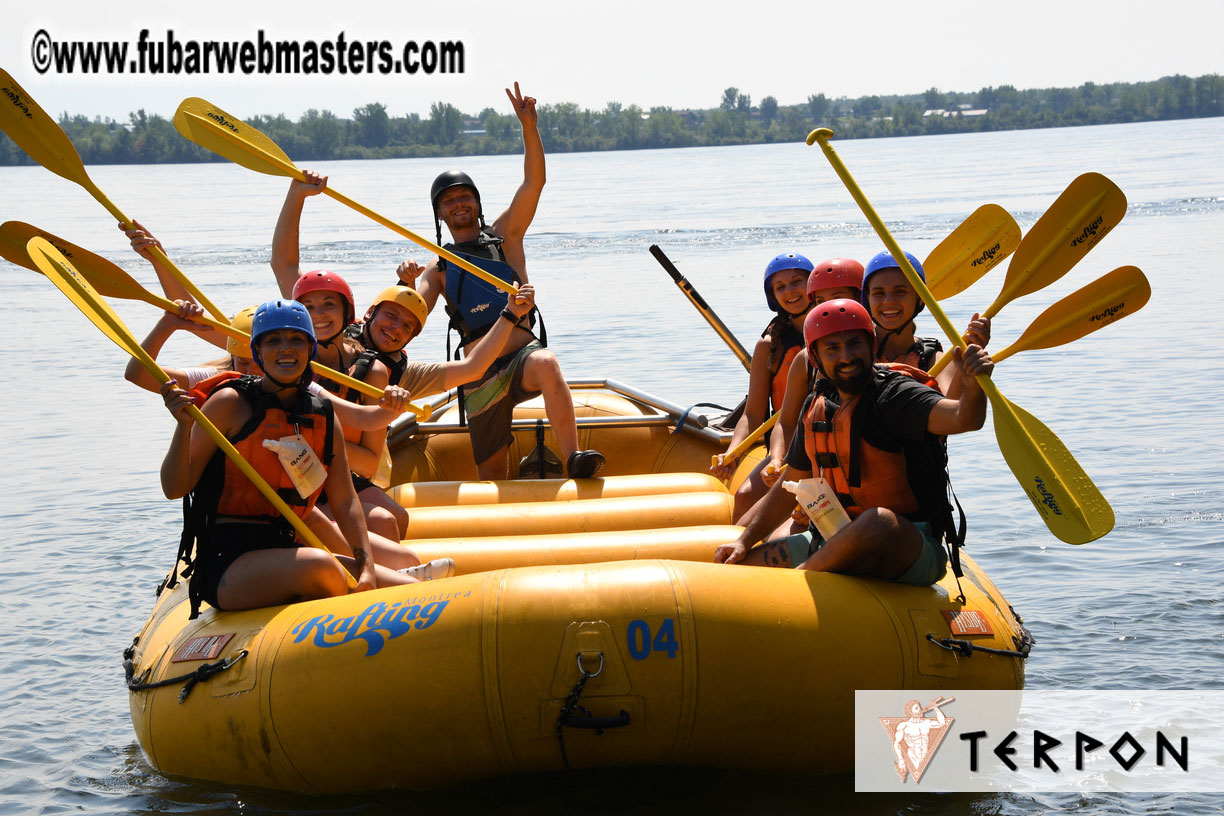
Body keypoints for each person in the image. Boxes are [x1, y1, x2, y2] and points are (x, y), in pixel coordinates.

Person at [159, 300, 425, 619]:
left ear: (310, 349)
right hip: (229, 558)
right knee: (323, 566)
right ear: (257, 351)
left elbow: (345, 501)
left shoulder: (322, 415)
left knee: (409, 590)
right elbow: (174, 488)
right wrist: (183, 427)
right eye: (273, 340)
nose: (286, 348)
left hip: (290, 546)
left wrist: (366, 563)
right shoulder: (229, 403)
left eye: (296, 339)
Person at [397, 82, 604, 481]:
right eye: (449, 201)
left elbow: (533, 184)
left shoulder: (506, 235)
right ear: (440, 213)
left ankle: (574, 458)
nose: (458, 204)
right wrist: (406, 283)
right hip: (479, 375)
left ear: (477, 202)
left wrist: (529, 128)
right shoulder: (437, 267)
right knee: (492, 476)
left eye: (465, 197)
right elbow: (412, 312)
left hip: (523, 359)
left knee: (547, 361)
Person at [714, 299, 993, 585]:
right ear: (815, 358)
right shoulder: (816, 405)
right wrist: (744, 541)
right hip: (834, 538)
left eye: (854, 344)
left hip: (908, 546)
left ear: (872, 346)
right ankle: (802, 576)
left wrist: (973, 385)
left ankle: (797, 584)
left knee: (878, 521)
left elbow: (964, 419)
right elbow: (790, 482)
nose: (846, 356)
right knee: (737, 569)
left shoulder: (897, 395)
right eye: (832, 349)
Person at [765, 257, 865, 536]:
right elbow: (786, 422)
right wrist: (776, 459)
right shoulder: (805, 359)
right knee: (751, 519)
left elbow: (959, 416)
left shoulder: (877, 362)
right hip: (815, 472)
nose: (829, 308)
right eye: (820, 301)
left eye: (839, 298)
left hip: (856, 493)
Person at [711, 252, 815, 521]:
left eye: (797, 281)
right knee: (745, 496)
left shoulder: (837, 336)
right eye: (780, 287)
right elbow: (753, 413)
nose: (789, 291)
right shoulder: (769, 345)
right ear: (773, 296)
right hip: (786, 446)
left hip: (825, 443)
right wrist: (734, 452)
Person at [860, 250, 990, 396]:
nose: (888, 301)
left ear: (920, 297)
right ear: (867, 299)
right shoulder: (852, 350)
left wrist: (968, 371)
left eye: (900, 291)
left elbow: (953, 406)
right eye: (879, 293)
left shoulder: (933, 359)